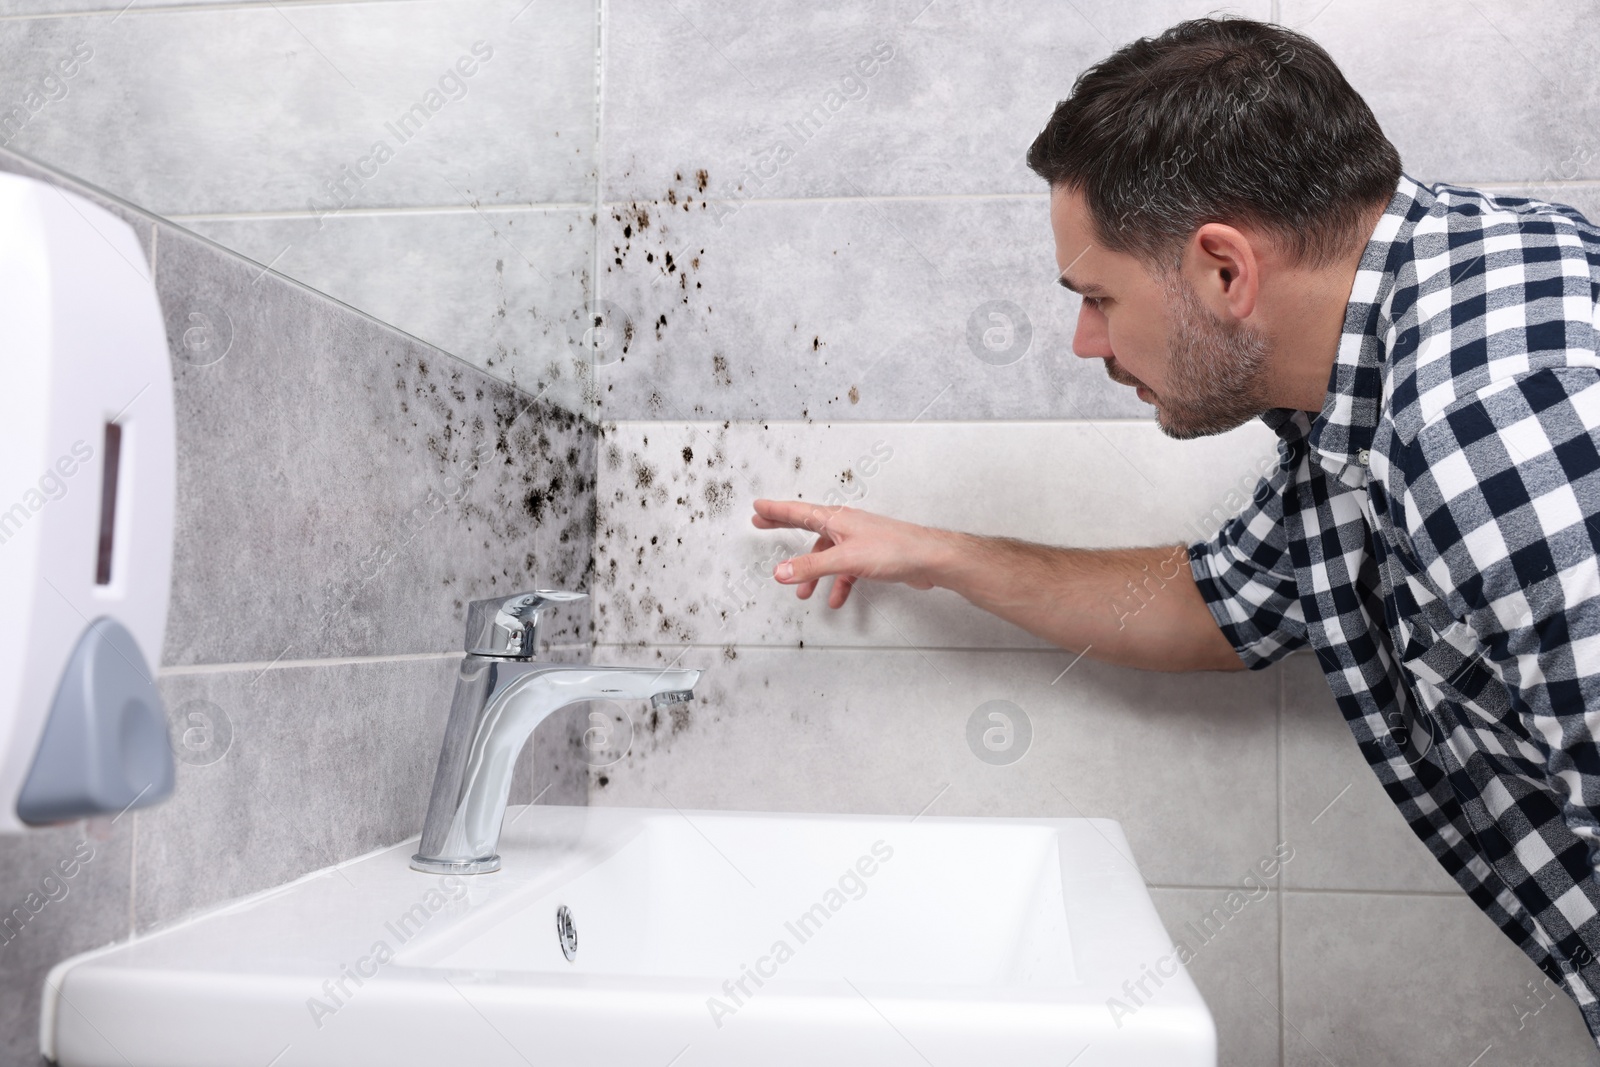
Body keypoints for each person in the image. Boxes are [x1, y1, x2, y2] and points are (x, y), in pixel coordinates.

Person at [750, 15, 1600, 1045]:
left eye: (1098, 295)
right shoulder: (1395, 349)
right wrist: (938, 554)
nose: (1082, 339)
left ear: (1223, 271)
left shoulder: (1492, 429)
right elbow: (1221, 603)